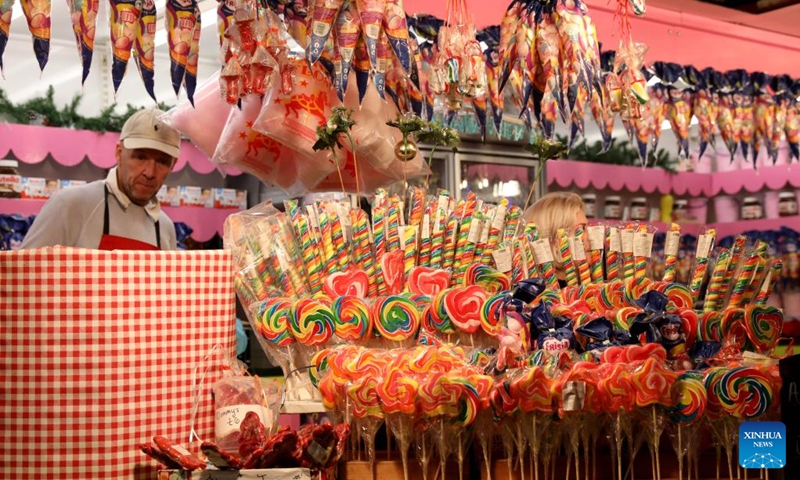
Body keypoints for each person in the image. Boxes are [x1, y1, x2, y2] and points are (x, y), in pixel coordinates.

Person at [21, 108, 181, 250]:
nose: (150, 172)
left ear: (173, 165)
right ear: (119, 153)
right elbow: (22, 276)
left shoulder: (165, 228)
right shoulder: (71, 205)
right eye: (140, 157)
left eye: (162, 162)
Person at [522, 191, 589, 285]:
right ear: (554, 241)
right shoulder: (546, 296)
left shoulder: (586, 286)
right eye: (582, 228)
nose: (589, 236)